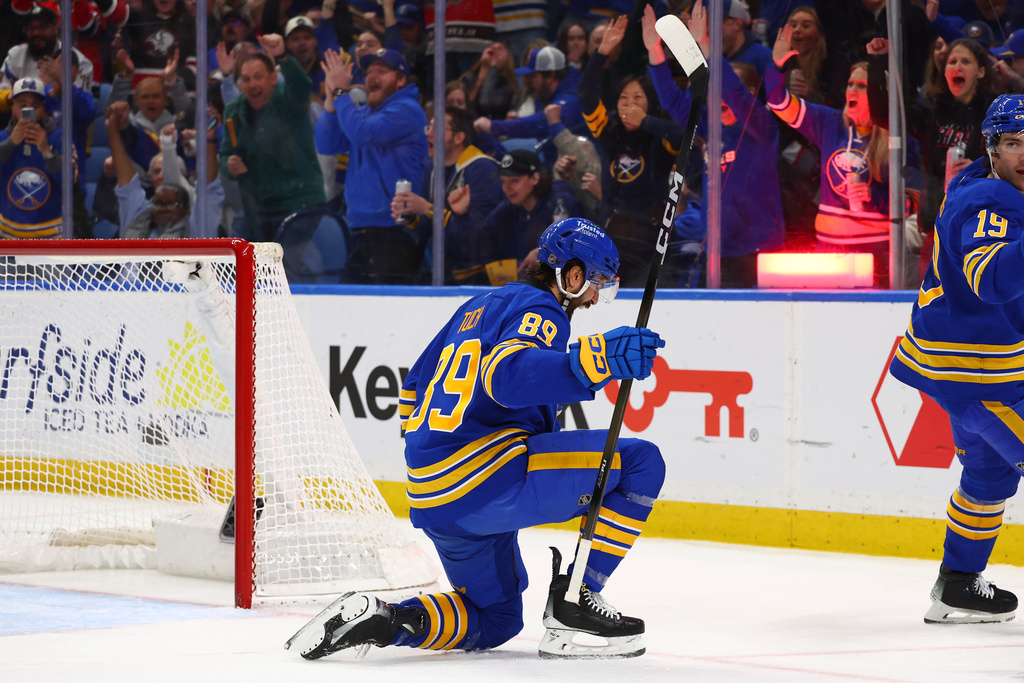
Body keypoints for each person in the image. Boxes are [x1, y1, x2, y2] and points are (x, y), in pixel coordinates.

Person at [286, 217, 665, 660]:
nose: (597, 297)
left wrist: (434, 458)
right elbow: (506, 377)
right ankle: (577, 598)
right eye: (598, 282)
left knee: (497, 617)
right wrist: (596, 358)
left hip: (435, 500)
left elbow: (413, 388)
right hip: (488, 478)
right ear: (573, 274)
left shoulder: (474, 309)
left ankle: (385, 619)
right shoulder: (542, 309)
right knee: (641, 463)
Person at [887, 93, 1024, 625]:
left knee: (990, 476)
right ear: (992, 148)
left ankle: (959, 582)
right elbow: (989, 279)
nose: (1023, 154)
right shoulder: (988, 200)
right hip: (974, 373)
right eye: (1013, 144)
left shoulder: (988, 183)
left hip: (970, 361)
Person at [651, 3, 784, 288]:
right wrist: (655, 52)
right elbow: (672, 101)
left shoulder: (762, 129)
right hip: (716, 249)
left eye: (719, 90)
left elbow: (732, 91)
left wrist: (704, 43)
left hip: (758, 251)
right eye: (712, 92)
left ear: (749, 94)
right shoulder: (712, 129)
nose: (717, 97)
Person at [768, 23, 892, 288]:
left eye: (862, 85)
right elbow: (778, 103)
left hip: (876, 256)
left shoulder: (896, 134)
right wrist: (777, 66)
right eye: (850, 84)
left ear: (879, 93)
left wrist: (874, 199)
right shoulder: (829, 122)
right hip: (828, 250)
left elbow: (911, 200)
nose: (852, 91)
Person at [868, 37, 994, 284]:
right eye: (952, 61)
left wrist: (982, 169)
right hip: (937, 227)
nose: (957, 66)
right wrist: (876, 61)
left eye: (965, 62)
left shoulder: (994, 112)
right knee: (934, 304)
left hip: (979, 229)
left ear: (980, 71)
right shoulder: (933, 110)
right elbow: (884, 116)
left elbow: (1013, 163)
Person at [575, 12, 684, 288]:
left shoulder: (660, 136)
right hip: (611, 241)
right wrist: (602, 52)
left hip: (651, 245)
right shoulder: (608, 131)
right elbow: (586, 95)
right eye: (624, 98)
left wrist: (646, 122)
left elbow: (684, 135)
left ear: (649, 104)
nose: (629, 104)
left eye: (638, 98)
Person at [316, 47, 428, 284]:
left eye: (382, 71)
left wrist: (340, 92)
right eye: (369, 71)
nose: (372, 77)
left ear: (400, 80)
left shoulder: (407, 110)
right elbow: (327, 144)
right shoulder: (363, 113)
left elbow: (362, 134)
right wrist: (330, 100)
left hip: (396, 233)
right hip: (361, 230)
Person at [220, 34, 326, 249]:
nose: (252, 84)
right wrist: (229, 165)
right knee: (238, 263)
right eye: (246, 79)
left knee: (285, 272)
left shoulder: (290, 99)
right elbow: (225, 154)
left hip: (299, 203)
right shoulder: (232, 111)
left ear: (273, 78)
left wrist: (282, 56)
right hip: (256, 208)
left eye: (258, 77)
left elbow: (301, 84)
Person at [390, 106, 505, 285]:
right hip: (446, 272)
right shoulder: (431, 169)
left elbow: (480, 237)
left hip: (481, 277)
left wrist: (427, 209)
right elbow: (430, 228)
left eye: (436, 129)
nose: (428, 134)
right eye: (428, 128)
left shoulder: (483, 169)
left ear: (459, 137)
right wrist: (411, 217)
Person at [105, 100, 224, 238]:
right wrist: (113, 128)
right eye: (158, 203)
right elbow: (127, 185)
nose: (162, 209)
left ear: (185, 209)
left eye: (171, 204)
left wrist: (209, 141)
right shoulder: (138, 217)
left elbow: (208, 189)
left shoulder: (197, 229)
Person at [452, 149, 582, 265]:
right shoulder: (511, 208)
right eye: (503, 181)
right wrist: (462, 215)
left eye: (514, 181)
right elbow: (479, 246)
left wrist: (545, 253)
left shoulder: (560, 202)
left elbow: (573, 247)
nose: (507, 188)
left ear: (535, 178)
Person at [474, 46, 586, 166]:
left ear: (551, 75)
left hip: (584, 172)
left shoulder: (573, 97)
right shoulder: (546, 92)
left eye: (532, 76)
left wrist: (494, 126)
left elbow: (540, 123)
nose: (527, 81)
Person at [0, 77, 75, 239]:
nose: (29, 110)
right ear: (12, 109)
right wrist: (11, 143)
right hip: (7, 239)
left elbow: (70, 182)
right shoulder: (2, 138)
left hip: (52, 238)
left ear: (43, 109)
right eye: (22, 105)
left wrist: (47, 151)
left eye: (35, 106)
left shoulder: (60, 138)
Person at [0, 3, 94, 94]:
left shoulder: (78, 61)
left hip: (59, 110)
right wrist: (10, 97)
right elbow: (2, 92)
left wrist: (63, 83)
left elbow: (86, 107)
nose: (36, 33)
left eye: (43, 27)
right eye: (31, 27)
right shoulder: (15, 55)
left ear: (56, 29)